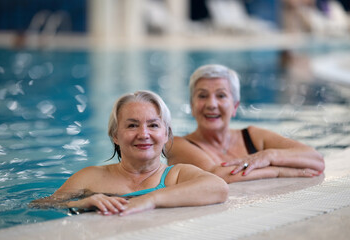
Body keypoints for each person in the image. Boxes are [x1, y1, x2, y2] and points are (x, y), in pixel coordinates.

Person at [30, 90, 228, 216]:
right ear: (115, 135)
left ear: (166, 134)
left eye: (153, 125)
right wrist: (82, 202)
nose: (143, 134)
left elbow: (219, 188)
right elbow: (39, 206)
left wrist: (150, 199)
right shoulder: (90, 177)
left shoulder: (176, 176)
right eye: (132, 125)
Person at [166, 64, 325, 183]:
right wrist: (277, 170)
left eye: (221, 95)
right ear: (192, 106)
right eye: (202, 96)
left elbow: (315, 160)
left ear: (235, 106)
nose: (211, 104)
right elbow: (216, 176)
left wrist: (269, 155)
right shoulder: (177, 144)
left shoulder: (253, 136)